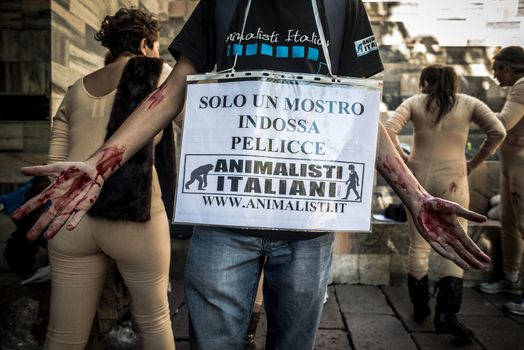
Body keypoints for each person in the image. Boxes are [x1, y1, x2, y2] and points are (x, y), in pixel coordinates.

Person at [14, 1, 490, 349]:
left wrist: (414, 196)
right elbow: (173, 90)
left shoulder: (342, 7)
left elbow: (359, 110)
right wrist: (102, 160)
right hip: (223, 225)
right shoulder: (221, 4)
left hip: (307, 226)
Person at [40, 8, 176, 349]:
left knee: (64, 336)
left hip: (71, 220)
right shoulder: (160, 74)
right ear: (146, 45)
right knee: (155, 322)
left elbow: (55, 164)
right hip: (135, 219)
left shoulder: (74, 89)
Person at [385, 65, 505, 336]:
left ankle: (420, 306)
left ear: (425, 82)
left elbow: (389, 130)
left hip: (417, 180)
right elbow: (498, 132)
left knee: (418, 245)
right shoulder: (470, 103)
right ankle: (446, 314)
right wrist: (473, 163)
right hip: (454, 181)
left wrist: (405, 163)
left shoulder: (415, 102)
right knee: (455, 240)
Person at [478, 46, 524, 316]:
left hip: (521, 163)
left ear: (508, 68)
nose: (494, 75)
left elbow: (503, 123)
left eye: (496, 69)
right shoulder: (517, 86)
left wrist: (467, 113)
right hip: (511, 164)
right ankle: (511, 277)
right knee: (509, 222)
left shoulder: (521, 86)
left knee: (521, 224)